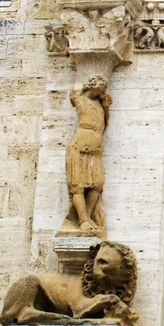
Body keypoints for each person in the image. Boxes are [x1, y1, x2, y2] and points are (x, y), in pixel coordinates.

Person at [61, 75, 112, 236]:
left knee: (97, 183)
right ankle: (82, 220)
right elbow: (74, 94)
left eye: (105, 86)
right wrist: (85, 87)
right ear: (93, 85)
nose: (103, 88)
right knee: (78, 184)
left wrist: (106, 105)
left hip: (96, 147)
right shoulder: (80, 99)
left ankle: (88, 216)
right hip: (80, 145)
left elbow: (106, 122)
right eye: (101, 85)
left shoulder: (99, 105)